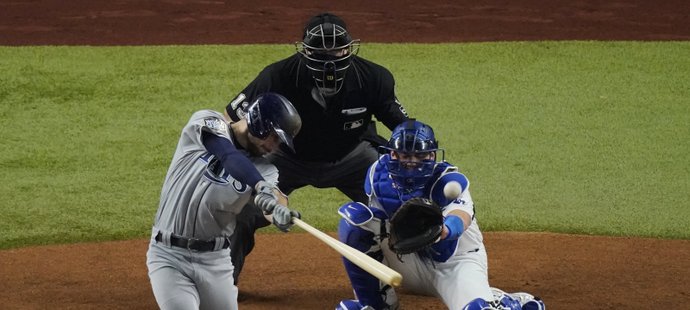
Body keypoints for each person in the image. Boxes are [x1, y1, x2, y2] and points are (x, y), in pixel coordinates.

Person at [224, 12, 409, 285]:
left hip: (353, 156)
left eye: (337, 50)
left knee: (399, 202)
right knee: (239, 209)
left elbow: (403, 127)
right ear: (305, 51)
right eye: (321, 52)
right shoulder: (278, 76)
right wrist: (242, 165)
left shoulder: (373, 77)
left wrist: (414, 155)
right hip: (286, 157)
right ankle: (223, 282)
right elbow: (231, 119)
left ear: (349, 49)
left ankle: (427, 272)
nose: (330, 58)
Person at [335, 120, 546, 310]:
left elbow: (460, 216)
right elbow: (379, 224)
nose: (411, 162)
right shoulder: (377, 176)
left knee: (477, 309)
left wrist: (443, 230)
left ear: (432, 155)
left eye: (419, 156)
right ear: (392, 154)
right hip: (409, 261)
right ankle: (376, 304)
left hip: (455, 263)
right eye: (405, 156)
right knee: (356, 222)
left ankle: (507, 303)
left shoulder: (449, 182)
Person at [146, 92, 302, 310]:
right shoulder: (207, 122)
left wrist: (279, 211)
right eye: (274, 136)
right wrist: (258, 185)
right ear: (259, 122)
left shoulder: (266, 170)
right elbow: (228, 155)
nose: (274, 146)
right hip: (168, 255)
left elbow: (276, 198)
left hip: (215, 262)